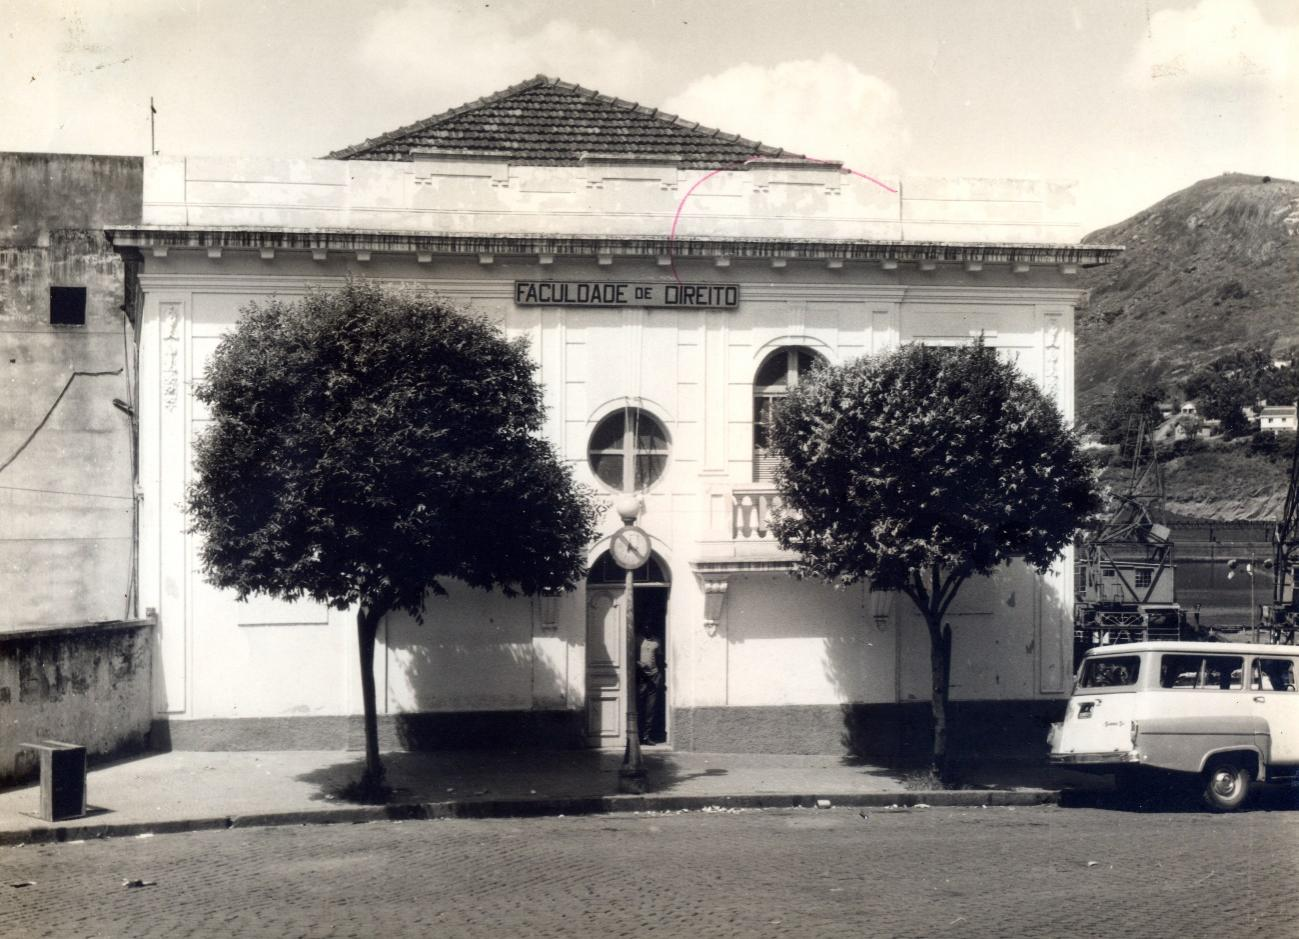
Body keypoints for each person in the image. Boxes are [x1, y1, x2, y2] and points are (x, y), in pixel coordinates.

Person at [636, 627, 664, 745]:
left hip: (654, 677)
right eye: (646, 625)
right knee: (639, 706)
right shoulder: (637, 640)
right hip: (641, 677)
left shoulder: (657, 641)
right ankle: (636, 736)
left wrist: (659, 675)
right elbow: (631, 656)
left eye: (650, 625)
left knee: (650, 708)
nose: (648, 628)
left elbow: (659, 658)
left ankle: (646, 736)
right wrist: (639, 664)